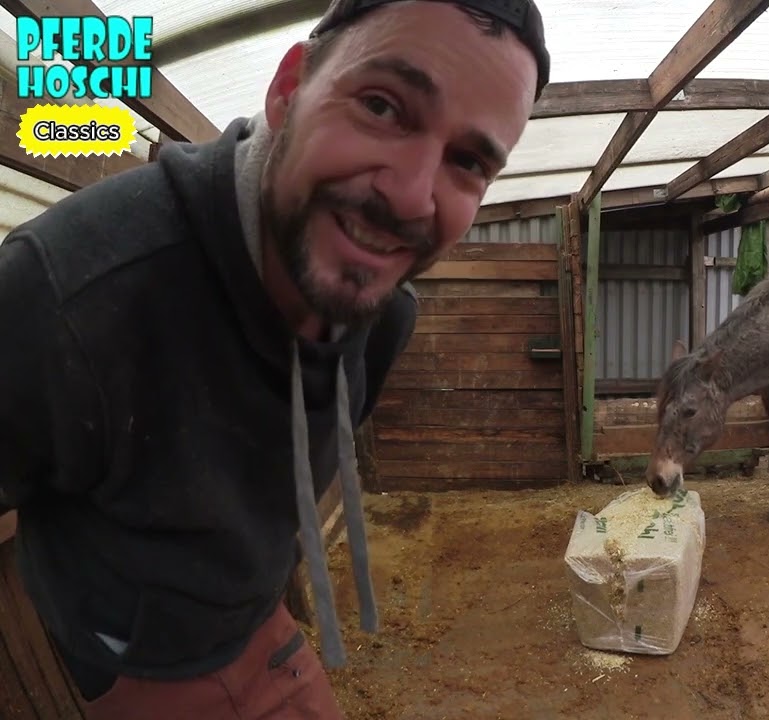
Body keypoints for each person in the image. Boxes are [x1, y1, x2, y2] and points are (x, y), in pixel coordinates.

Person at [0, 0, 550, 717]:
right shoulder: (69, 294)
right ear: (289, 89)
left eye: (469, 160)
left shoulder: (384, 319)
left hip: (264, 622)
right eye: (383, 106)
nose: (411, 196)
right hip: (143, 668)